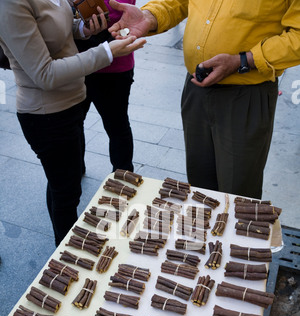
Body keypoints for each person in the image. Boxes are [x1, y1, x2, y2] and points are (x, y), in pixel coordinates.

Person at [108, 0, 300, 199]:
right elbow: (179, 2)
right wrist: (149, 17)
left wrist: (243, 61)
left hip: (246, 94)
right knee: (201, 188)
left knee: (237, 194)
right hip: (196, 88)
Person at [0, 0, 145, 247]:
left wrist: (83, 30)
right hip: (46, 113)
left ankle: (67, 251)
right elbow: (45, 74)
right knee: (65, 193)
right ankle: (65, 260)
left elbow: (56, 26)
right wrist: (107, 52)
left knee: (67, 185)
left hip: (70, 103)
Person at [81, 0, 137, 173]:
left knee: (116, 125)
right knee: (72, 124)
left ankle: (122, 177)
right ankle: (73, 169)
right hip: (76, 62)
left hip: (114, 66)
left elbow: (118, 10)